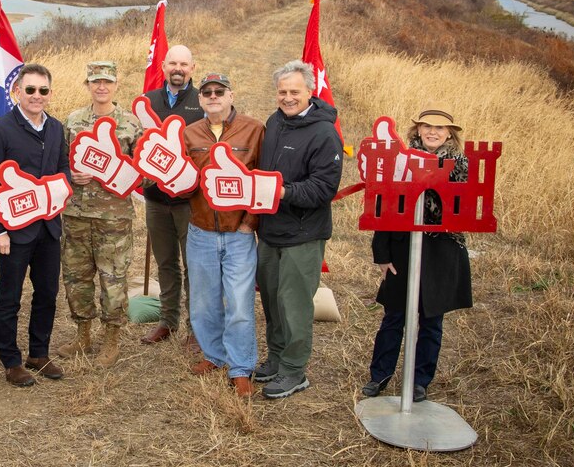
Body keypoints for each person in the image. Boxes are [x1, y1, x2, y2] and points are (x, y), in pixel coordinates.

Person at [363, 107, 473, 402]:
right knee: (394, 315)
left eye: (439, 128)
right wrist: (382, 254)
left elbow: (462, 209)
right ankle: (379, 376)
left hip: (440, 249)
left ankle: (420, 381)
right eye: (427, 127)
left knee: (432, 318)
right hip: (402, 247)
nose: (432, 132)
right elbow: (383, 206)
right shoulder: (400, 160)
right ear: (418, 130)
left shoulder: (460, 164)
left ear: (450, 133)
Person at [0, 64, 70, 387]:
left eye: (42, 90)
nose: (36, 96)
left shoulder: (57, 129)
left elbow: (63, 171)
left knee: (47, 292)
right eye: (29, 90)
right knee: (10, 296)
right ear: (17, 91)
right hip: (13, 231)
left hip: (48, 228)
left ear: (49, 93)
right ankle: (11, 361)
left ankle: (38, 353)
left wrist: (61, 194)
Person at [255, 59, 343, 399]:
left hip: (303, 235)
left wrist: (284, 193)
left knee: (294, 304)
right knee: (273, 302)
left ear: (310, 91)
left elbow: (324, 189)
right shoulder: (274, 123)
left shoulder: (324, 133)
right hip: (271, 230)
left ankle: (294, 370)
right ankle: (276, 359)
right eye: (282, 92)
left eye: (294, 92)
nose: (288, 98)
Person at [183, 73, 265, 397]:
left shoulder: (254, 129)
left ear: (231, 95)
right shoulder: (190, 133)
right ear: (200, 99)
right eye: (207, 92)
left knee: (240, 303)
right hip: (201, 230)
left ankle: (241, 367)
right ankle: (214, 356)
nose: (213, 96)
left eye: (219, 91)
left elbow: (263, 176)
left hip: (238, 232)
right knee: (203, 303)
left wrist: (250, 223)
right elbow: (181, 179)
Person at [57, 61, 142, 368]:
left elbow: (142, 172)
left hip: (114, 217)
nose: (101, 87)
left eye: (107, 81)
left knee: (113, 279)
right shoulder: (73, 121)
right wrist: (70, 174)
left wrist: (122, 174)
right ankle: (83, 334)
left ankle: (112, 339)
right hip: (77, 214)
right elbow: (58, 161)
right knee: (77, 278)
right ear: (88, 85)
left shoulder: (130, 124)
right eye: (96, 82)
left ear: (116, 84)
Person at [140, 45, 205, 345]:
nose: (178, 69)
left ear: (192, 68)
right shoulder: (149, 101)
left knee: (193, 264)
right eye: (173, 64)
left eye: (184, 64)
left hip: (188, 201)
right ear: (163, 66)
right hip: (155, 200)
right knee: (165, 262)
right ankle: (168, 321)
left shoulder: (202, 101)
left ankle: (196, 327)